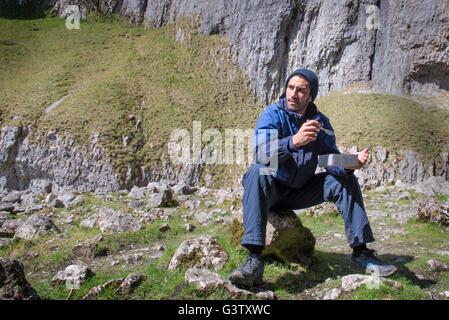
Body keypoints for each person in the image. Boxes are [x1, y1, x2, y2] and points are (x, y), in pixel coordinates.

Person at [229, 68, 397, 289]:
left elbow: (328, 160)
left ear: (310, 96)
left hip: (300, 191)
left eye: (301, 90)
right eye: (290, 88)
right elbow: (261, 154)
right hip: (272, 189)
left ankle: (360, 253)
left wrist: (349, 162)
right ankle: (254, 259)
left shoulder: (321, 123)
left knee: (346, 180)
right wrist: (293, 142)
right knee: (257, 171)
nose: (293, 94)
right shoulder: (272, 114)